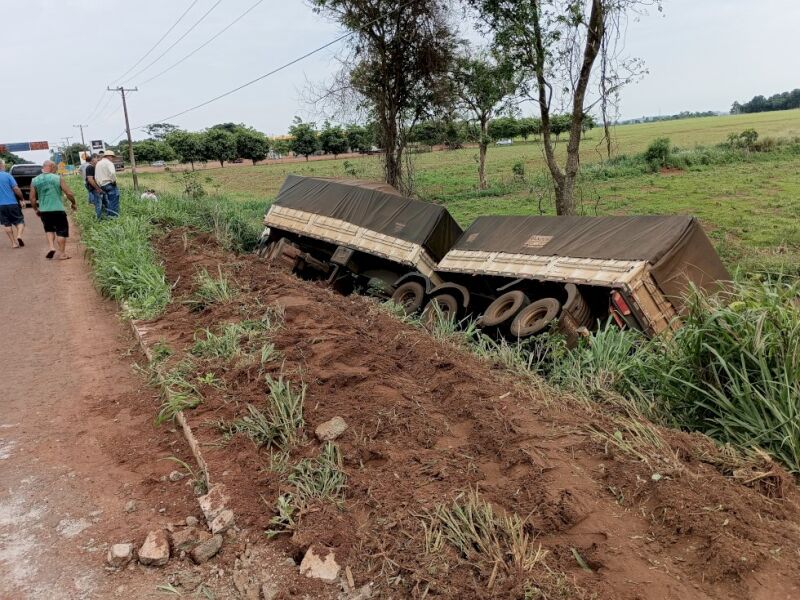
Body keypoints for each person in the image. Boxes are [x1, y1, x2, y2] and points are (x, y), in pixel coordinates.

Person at [29, 160, 77, 260]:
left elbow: (32, 198)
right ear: (51, 167)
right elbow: (68, 193)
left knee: (49, 229)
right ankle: (62, 254)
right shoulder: (58, 178)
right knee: (61, 231)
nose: (55, 170)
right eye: (55, 168)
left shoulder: (35, 180)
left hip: (44, 211)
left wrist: (36, 209)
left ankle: (51, 247)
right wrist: (73, 203)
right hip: (58, 209)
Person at [0, 159, 26, 249]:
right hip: (12, 203)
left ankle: (14, 243)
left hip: (0, 206)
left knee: (6, 224)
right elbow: (16, 188)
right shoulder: (8, 176)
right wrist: (22, 199)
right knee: (20, 221)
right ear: (2, 165)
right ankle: (19, 235)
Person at [95, 150, 119, 218]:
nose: (113, 158)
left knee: (108, 201)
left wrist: (99, 185)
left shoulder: (98, 163)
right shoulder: (109, 163)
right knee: (113, 201)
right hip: (109, 184)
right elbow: (112, 173)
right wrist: (114, 181)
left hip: (102, 185)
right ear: (109, 156)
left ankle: (109, 216)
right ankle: (113, 217)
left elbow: (96, 176)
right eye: (112, 157)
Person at [85, 155, 105, 219]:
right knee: (98, 203)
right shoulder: (90, 167)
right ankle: (99, 219)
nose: (98, 160)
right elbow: (90, 179)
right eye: (96, 159)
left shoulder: (93, 167)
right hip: (95, 189)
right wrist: (98, 188)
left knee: (101, 202)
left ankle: (102, 216)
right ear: (93, 160)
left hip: (96, 188)